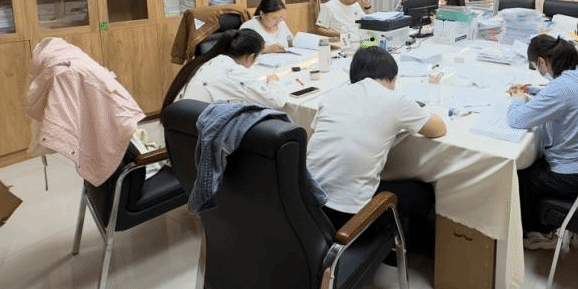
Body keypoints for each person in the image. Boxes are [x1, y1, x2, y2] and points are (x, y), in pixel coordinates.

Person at [307, 46, 447, 254]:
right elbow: (439, 129)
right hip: (349, 220)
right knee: (422, 192)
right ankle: (406, 246)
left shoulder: (332, 96)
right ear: (391, 78)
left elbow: (311, 143)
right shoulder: (395, 100)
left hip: (310, 209)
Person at [507, 34, 578, 250]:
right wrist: (532, 90)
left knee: (520, 176)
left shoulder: (561, 89)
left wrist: (517, 100)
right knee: (533, 162)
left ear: (542, 62)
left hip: (569, 174)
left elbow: (516, 120)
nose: (538, 70)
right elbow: (558, 92)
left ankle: (541, 233)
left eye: (536, 66)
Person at [162, 28, 293, 110]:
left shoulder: (212, 61)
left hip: (180, 133)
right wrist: (273, 81)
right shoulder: (234, 72)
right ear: (250, 57)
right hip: (201, 136)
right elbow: (276, 101)